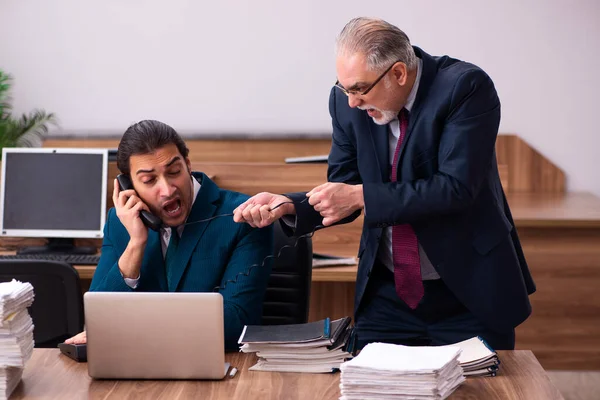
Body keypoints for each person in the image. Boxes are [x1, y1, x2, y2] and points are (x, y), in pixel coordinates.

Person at [233, 17, 536, 350]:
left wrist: (360, 195)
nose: (352, 101)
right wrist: (290, 206)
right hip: (388, 295)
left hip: (468, 292)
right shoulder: (346, 105)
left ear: (398, 74)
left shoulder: (465, 88)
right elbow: (345, 188)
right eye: (344, 87)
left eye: (360, 89)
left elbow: (455, 188)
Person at [66, 120, 273, 350]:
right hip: (139, 370)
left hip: (220, 367)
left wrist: (132, 326)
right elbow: (98, 319)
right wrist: (136, 243)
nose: (167, 189)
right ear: (128, 185)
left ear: (187, 164)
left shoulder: (243, 216)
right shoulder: (119, 221)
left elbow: (238, 323)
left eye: (174, 172)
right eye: (149, 180)